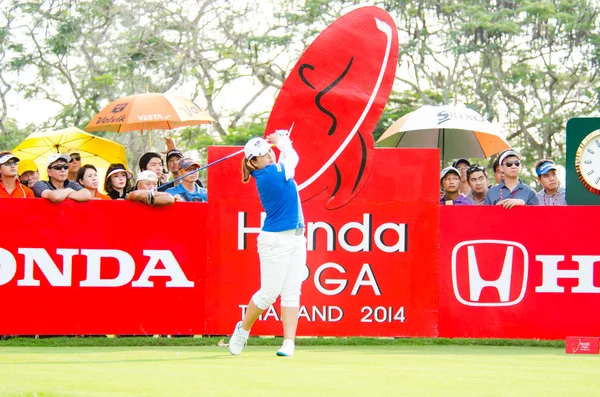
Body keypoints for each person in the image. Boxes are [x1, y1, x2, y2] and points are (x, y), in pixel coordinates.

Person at [228, 130, 306, 357]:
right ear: (253, 162)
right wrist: (281, 141)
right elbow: (292, 159)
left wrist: (282, 141)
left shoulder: (274, 170)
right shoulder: (269, 175)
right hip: (275, 240)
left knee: (292, 292)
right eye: (264, 154)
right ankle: (243, 330)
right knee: (269, 293)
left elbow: (285, 160)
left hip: (297, 238)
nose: (270, 155)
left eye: (269, 151)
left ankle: (288, 343)